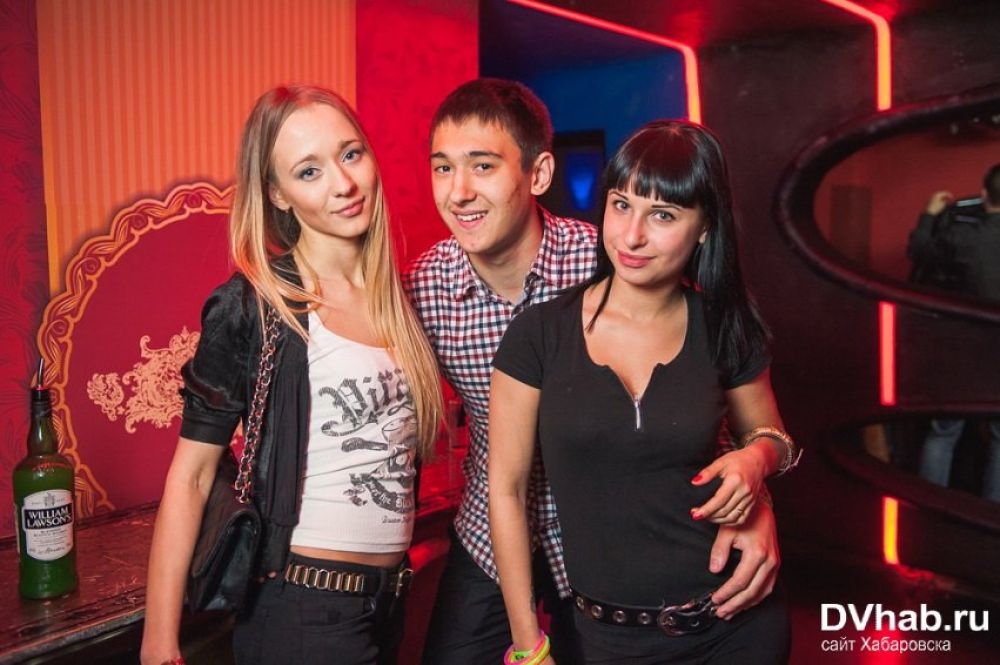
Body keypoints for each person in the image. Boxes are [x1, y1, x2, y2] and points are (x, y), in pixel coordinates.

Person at [405, 79, 786, 665]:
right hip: (495, 525)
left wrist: (757, 507)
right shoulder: (421, 288)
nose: (459, 192)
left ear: (538, 174)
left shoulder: (612, 258)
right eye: (442, 168)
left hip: (620, 540)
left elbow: (704, 399)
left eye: (482, 166)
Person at [140, 85, 443, 665]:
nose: (343, 183)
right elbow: (191, 478)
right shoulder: (254, 305)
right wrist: (159, 640)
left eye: (350, 154)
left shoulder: (398, 300)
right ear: (278, 193)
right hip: (303, 609)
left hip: (387, 602)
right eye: (309, 171)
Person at [908, 163, 1000, 502]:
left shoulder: (963, 237)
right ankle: (990, 522)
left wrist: (929, 215)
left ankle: (928, 511)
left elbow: (919, 252)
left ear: (985, 194)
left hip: (963, 350)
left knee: (943, 432)